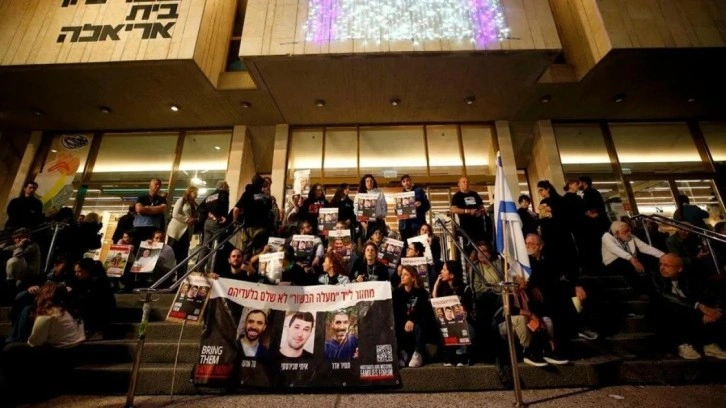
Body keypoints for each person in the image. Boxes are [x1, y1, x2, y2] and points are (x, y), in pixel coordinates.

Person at [651, 254, 726, 360]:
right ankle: (683, 344)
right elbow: (664, 296)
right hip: (666, 313)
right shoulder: (654, 276)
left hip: (690, 312)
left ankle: (709, 345)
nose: (662, 268)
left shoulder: (688, 278)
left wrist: (716, 309)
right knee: (674, 311)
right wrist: (699, 307)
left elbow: (707, 293)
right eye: (660, 264)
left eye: (667, 265)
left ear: (679, 269)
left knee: (714, 313)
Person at [602, 220, 665, 294]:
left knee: (650, 261)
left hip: (629, 259)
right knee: (627, 266)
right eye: (626, 231)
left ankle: (658, 288)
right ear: (617, 233)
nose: (629, 233)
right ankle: (640, 292)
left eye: (629, 230)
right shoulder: (606, 237)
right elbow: (615, 250)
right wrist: (632, 259)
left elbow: (644, 247)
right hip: (613, 262)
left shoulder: (630, 236)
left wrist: (662, 255)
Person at [432, 261, 473, 366]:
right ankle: (449, 354)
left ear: (451, 275)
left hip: (463, 321)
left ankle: (462, 354)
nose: (441, 272)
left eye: (444, 269)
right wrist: (436, 284)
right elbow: (436, 302)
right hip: (447, 321)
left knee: (460, 325)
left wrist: (462, 309)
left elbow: (468, 309)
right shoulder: (442, 287)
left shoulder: (465, 288)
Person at [392, 265, 435, 368]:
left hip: (416, 323)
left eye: (406, 274)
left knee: (421, 325)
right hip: (402, 324)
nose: (402, 276)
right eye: (401, 274)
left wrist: (412, 320)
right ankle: (402, 353)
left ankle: (417, 353)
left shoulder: (421, 293)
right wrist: (406, 321)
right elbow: (396, 313)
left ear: (413, 278)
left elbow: (424, 312)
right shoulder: (396, 293)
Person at [71, 258, 116, 339]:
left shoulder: (99, 282)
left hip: (100, 315)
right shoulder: (83, 281)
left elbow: (93, 301)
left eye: (79, 271)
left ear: (88, 271)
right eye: (75, 271)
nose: (76, 274)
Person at [233, 174, 272, 260]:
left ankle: (245, 266)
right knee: (260, 251)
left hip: (249, 227)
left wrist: (235, 220)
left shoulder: (247, 193)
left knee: (246, 250)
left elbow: (236, 209)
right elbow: (270, 208)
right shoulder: (264, 195)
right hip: (262, 227)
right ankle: (255, 267)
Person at [166, 186, 199, 266]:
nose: (196, 194)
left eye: (197, 193)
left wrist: (195, 219)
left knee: (183, 254)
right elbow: (175, 214)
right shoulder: (181, 200)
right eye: (194, 192)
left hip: (187, 231)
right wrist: (187, 219)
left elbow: (198, 215)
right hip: (176, 231)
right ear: (189, 192)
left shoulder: (196, 204)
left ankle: (181, 272)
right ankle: (168, 270)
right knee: (172, 250)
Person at [450, 176, 487, 246]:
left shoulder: (474, 194)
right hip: (466, 227)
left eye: (467, 182)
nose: (466, 184)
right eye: (464, 182)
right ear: (459, 184)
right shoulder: (457, 196)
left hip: (479, 226)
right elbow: (453, 209)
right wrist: (468, 211)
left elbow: (482, 207)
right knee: (470, 247)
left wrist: (480, 212)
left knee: (482, 246)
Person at [4, 228, 42, 293]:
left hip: (31, 277)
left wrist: (19, 246)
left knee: (13, 261)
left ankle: (10, 285)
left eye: (20, 237)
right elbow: (5, 250)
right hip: (20, 276)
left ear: (27, 237)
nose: (18, 240)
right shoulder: (17, 245)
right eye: (16, 238)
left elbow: (17, 255)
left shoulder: (33, 246)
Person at [398, 175, 430, 241]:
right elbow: (399, 212)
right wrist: (397, 208)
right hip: (405, 226)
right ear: (402, 183)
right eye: (404, 181)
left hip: (418, 224)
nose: (406, 183)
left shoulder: (419, 191)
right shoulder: (400, 196)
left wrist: (420, 204)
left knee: (419, 245)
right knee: (407, 246)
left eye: (407, 180)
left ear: (411, 181)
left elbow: (427, 206)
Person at [356, 174, 388, 239]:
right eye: (367, 181)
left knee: (380, 240)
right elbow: (356, 209)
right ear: (364, 183)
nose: (369, 183)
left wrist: (382, 215)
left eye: (371, 181)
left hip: (378, 220)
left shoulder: (379, 192)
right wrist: (361, 221)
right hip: (365, 222)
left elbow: (384, 205)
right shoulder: (359, 194)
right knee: (367, 241)